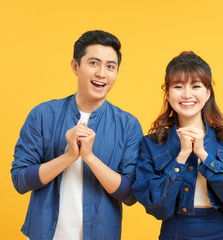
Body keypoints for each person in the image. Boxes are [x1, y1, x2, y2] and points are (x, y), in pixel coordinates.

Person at [11, 30, 143, 240]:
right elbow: (20, 180)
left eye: (110, 66)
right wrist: (68, 157)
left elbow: (130, 194)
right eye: (93, 63)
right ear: (75, 66)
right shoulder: (43, 115)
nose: (102, 73)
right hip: (43, 234)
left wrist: (89, 158)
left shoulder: (128, 125)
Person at [132, 51, 223, 240]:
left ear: (208, 94)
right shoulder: (152, 143)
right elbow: (157, 207)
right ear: (167, 94)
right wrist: (181, 157)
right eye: (178, 86)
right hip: (175, 234)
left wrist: (204, 155)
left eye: (196, 86)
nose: (187, 94)